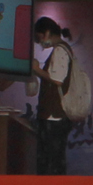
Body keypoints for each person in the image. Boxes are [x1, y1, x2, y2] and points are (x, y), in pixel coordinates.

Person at [31, 15, 76, 174]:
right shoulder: (64, 49)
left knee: (50, 161)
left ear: (47, 33)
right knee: (55, 160)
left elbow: (57, 79)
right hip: (57, 115)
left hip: (54, 115)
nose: (40, 42)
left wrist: (36, 69)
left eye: (39, 38)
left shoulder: (60, 50)